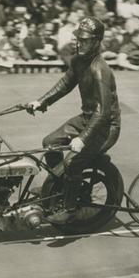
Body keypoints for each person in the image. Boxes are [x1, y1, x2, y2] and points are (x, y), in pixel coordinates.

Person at [26, 17, 121, 223]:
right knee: (49, 143)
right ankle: (59, 186)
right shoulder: (78, 60)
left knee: (73, 162)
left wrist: (83, 139)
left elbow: (103, 112)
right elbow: (65, 83)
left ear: (96, 41)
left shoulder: (100, 70)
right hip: (87, 119)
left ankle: (70, 208)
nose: (80, 43)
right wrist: (42, 101)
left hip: (105, 127)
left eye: (85, 40)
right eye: (79, 39)